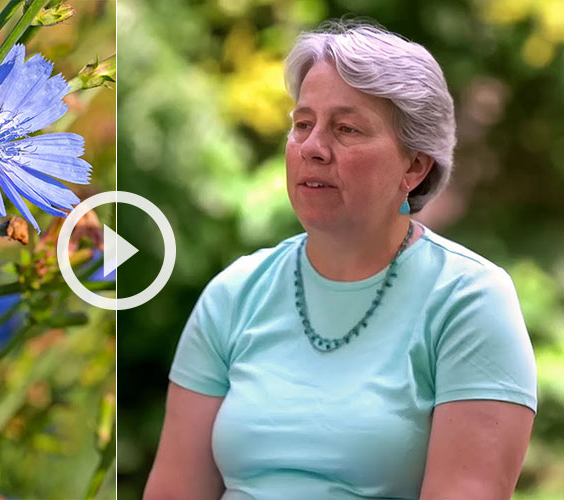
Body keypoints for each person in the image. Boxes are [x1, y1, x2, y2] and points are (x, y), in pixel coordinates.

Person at [144, 21, 537, 500]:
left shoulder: (470, 300)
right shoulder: (235, 292)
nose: (311, 148)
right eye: (302, 124)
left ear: (415, 166)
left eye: (346, 128)